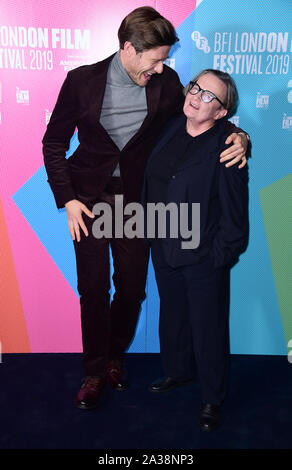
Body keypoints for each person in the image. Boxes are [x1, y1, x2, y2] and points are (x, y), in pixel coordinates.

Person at [42, 7, 248, 410]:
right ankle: (95, 371)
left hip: (137, 202)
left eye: (166, 60)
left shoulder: (168, 84)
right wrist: (67, 199)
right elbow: (53, 144)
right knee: (94, 288)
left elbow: (203, 118)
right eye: (156, 59)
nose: (162, 67)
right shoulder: (81, 81)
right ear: (130, 49)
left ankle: (116, 357)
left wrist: (239, 135)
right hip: (87, 200)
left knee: (133, 289)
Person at [143, 69, 249, 431]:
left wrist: (217, 258)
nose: (196, 96)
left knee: (208, 328)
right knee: (172, 318)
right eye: (196, 87)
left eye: (208, 96)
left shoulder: (228, 147)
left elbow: (235, 218)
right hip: (164, 246)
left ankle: (212, 399)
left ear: (221, 113)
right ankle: (177, 372)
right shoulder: (171, 126)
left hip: (204, 256)